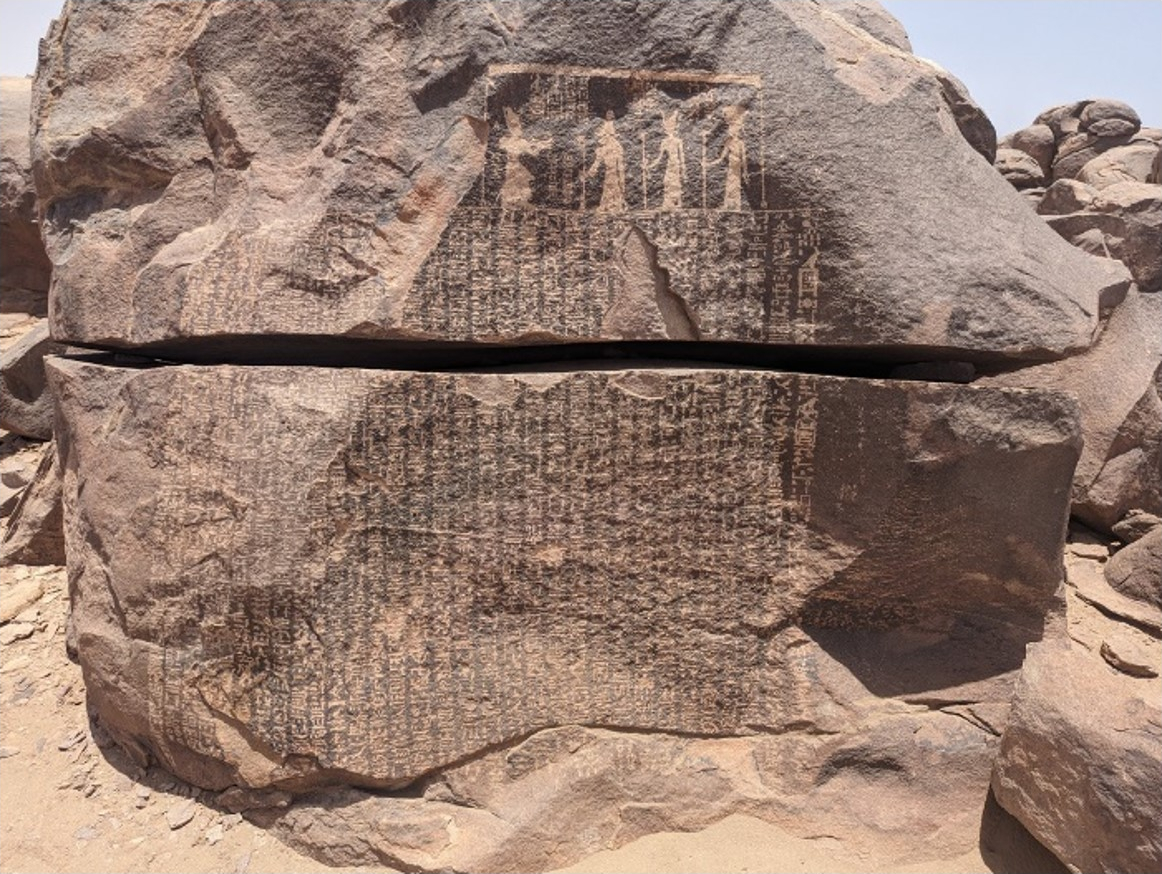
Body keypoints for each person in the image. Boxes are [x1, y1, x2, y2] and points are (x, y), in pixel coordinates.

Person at [499, 106, 548, 208]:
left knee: (522, 184)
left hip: (519, 167)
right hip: (513, 168)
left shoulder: (519, 141)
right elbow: (531, 150)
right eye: (513, 125)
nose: (518, 128)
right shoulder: (507, 140)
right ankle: (510, 202)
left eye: (518, 125)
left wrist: (543, 144)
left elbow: (533, 150)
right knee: (513, 184)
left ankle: (519, 201)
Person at [587, 110, 626, 213]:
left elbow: (620, 162)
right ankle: (609, 205)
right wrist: (593, 169)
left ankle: (616, 205)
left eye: (611, 114)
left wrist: (621, 173)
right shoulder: (604, 146)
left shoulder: (616, 146)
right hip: (609, 170)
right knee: (608, 185)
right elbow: (599, 158)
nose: (610, 116)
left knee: (614, 184)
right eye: (608, 114)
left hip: (614, 171)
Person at [651, 111, 686, 210]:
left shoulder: (678, 141)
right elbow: (660, 157)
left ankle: (677, 203)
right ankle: (668, 203)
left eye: (671, 126)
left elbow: (681, 156)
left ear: (674, 127)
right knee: (667, 182)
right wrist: (650, 166)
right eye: (667, 127)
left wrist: (684, 170)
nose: (669, 129)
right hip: (670, 165)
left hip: (676, 164)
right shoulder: (664, 142)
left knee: (675, 183)